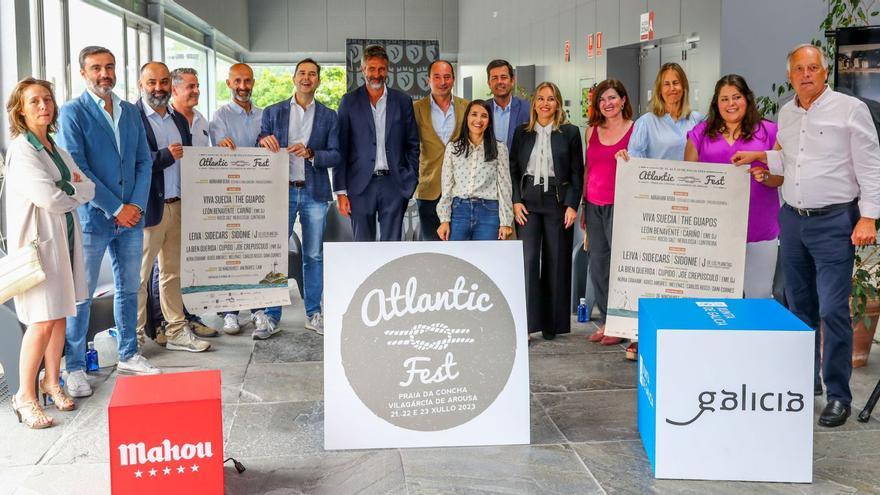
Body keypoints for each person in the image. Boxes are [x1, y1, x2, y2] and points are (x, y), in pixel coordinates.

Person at [733, 44, 880, 427]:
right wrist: (762, 162)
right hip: (794, 221)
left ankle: (838, 395)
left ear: (825, 72)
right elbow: (790, 162)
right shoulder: (786, 111)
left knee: (833, 310)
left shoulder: (851, 110)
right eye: (799, 69)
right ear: (790, 75)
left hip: (835, 222)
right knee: (799, 308)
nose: (806, 74)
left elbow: (870, 166)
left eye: (813, 67)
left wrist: (869, 218)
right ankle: (805, 381)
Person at [57, 46, 158, 388]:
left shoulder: (130, 111)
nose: (105, 74)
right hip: (93, 220)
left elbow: (144, 161)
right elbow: (78, 169)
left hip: (132, 219)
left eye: (110, 67)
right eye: (97, 68)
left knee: (130, 288)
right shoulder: (72, 112)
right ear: (83, 73)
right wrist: (117, 207)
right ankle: (73, 367)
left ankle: (129, 354)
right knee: (81, 297)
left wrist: (136, 207)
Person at [4, 78, 95, 428]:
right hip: (39, 244)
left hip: (64, 240)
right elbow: (49, 198)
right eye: (34, 102)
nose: (43, 106)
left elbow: (85, 184)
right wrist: (69, 188)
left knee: (59, 316)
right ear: (20, 110)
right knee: (41, 321)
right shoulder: (22, 149)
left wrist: (68, 187)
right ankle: (24, 396)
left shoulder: (54, 147)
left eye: (47, 99)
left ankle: (51, 381)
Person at [616, 62, 702, 361]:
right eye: (666, 83)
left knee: (683, 272)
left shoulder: (699, 121)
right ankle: (642, 335)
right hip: (656, 206)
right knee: (653, 274)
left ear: (684, 86)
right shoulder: (646, 122)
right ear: (659, 88)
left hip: (690, 206)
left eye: (677, 82)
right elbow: (635, 163)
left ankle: (680, 332)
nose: (672, 88)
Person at [256, 58, 340, 337]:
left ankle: (314, 313)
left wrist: (312, 153)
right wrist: (262, 141)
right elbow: (261, 142)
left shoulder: (329, 116)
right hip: (280, 191)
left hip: (314, 192)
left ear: (318, 80)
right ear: (294, 78)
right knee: (274, 254)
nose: (307, 78)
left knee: (314, 255)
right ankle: (271, 316)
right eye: (302, 73)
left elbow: (337, 154)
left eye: (312, 74)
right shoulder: (273, 112)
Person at [134, 61, 210, 353]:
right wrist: (165, 156)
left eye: (164, 82)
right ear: (142, 84)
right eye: (152, 82)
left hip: (178, 206)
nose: (158, 88)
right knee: (140, 278)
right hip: (150, 208)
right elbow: (132, 162)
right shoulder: (134, 117)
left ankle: (177, 330)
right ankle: (135, 338)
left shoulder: (178, 119)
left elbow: (189, 161)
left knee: (172, 274)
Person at [685, 74, 779, 299]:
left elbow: (780, 178)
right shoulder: (701, 133)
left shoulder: (768, 131)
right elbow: (687, 177)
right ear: (716, 103)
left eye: (736, 97)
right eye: (724, 99)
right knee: (717, 299)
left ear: (747, 98)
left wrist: (764, 176)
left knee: (759, 296)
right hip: (714, 230)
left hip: (759, 227)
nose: (731, 104)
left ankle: (755, 335)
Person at [509, 82, 583, 341]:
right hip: (528, 201)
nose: (545, 103)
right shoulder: (522, 132)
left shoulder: (570, 133)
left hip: (557, 200)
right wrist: (515, 201)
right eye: (540, 98)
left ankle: (552, 325)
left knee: (556, 260)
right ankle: (527, 324)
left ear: (558, 103)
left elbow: (576, 172)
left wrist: (573, 204)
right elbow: (513, 169)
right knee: (528, 260)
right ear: (534, 104)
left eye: (550, 99)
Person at [333, 44, 420, 241]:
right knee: (362, 244)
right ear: (363, 69)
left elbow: (413, 144)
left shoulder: (402, 101)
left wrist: (410, 178)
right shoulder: (348, 102)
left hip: (394, 184)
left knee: (392, 245)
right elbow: (342, 148)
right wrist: (341, 191)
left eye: (381, 69)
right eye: (371, 68)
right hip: (360, 186)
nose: (376, 74)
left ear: (387, 70)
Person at [209, 63, 268, 336]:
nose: (242, 87)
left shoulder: (264, 115)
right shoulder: (219, 117)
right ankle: (230, 312)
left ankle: (257, 310)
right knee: (232, 256)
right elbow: (222, 155)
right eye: (237, 81)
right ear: (229, 83)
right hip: (231, 196)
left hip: (259, 195)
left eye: (247, 81)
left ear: (253, 83)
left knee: (255, 255)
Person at [582, 79, 634, 346]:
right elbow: (588, 169)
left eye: (612, 98)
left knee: (621, 267)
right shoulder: (591, 131)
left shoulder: (635, 130)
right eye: (602, 100)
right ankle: (607, 320)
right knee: (599, 265)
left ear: (623, 100)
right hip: (593, 205)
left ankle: (624, 323)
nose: (607, 104)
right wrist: (583, 207)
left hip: (621, 206)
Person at [436, 100, 513, 241]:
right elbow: (446, 186)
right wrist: (444, 219)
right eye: (474, 114)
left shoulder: (499, 149)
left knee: (486, 260)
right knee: (456, 259)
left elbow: (504, 186)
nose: (478, 120)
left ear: (489, 121)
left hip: (489, 212)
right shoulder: (453, 148)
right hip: (459, 211)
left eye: (484, 116)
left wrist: (505, 222)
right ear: (467, 118)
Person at [413, 60, 469, 241]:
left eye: (446, 77)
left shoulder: (467, 107)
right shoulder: (416, 109)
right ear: (428, 80)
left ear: (453, 79)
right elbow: (408, 147)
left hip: (461, 189)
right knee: (432, 246)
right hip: (429, 187)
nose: (442, 82)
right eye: (437, 77)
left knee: (459, 246)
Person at [486, 59, 530, 149]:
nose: (499, 82)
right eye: (494, 78)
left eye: (503, 77)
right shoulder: (482, 109)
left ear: (512, 81)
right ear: (489, 83)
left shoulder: (527, 109)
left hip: (517, 163)